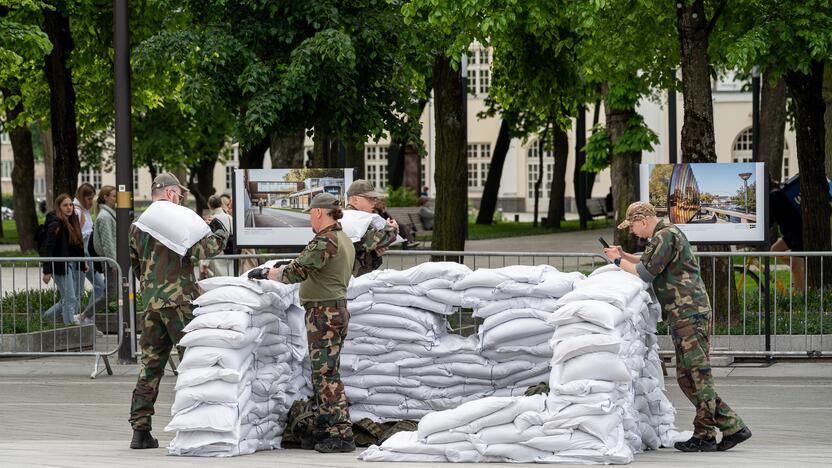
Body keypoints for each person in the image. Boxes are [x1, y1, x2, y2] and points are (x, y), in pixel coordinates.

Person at [603, 201, 752, 452]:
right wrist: (623, 254)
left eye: (633, 227)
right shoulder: (662, 236)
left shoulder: (665, 236)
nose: (632, 232)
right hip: (682, 314)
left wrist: (618, 261)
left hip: (689, 313)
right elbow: (644, 263)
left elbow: (644, 273)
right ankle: (733, 426)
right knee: (686, 378)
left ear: (644, 221)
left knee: (697, 375)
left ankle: (704, 434)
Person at [248, 192, 356, 453]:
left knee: (326, 375)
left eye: (311, 214)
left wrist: (267, 273)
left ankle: (341, 434)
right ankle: (324, 427)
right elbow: (309, 266)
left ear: (319, 212)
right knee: (324, 373)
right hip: (333, 311)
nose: (310, 218)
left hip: (324, 314)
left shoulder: (326, 240)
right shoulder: (343, 238)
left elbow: (296, 272)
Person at [128, 173, 228, 449]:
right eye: (180, 194)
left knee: (150, 366)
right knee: (192, 363)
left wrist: (152, 288)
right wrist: (221, 229)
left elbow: (135, 264)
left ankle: (140, 430)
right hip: (180, 301)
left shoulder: (138, 224)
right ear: (170, 193)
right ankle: (195, 426)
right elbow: (204, 251)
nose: (181, 198)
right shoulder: (178, 220)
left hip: (151, 304)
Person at [41, 194, 87, 324]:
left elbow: (77, 245)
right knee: (70, 298)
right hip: (60, 266)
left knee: (69, 298)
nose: (69, 208)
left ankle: (43, 320)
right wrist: (47, 271)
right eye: (65, 205)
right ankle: (70, 326)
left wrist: (83, 263)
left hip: (71, 264)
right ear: (59, 207)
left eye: (70, 204)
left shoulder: (72, 220)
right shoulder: (55, 224)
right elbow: (48, 247)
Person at [76, 186, 118, 324]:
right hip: (111, 262)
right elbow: (108, 243)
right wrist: (113, 263)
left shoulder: (108, 214)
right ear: (105, 197)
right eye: (113, 195)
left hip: (112, 261)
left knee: (112, 292)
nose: (116, 198)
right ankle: (84, 315)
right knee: (110, 294)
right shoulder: (105, 217)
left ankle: (85, 315)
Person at [346, 179, 398, 276]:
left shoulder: (361, 218)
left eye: (374, 198)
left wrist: (375, 255)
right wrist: (391, 229)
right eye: (369, 198)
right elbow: (369, 243)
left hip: (357, 280)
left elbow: (361, 253)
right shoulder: (350, 218)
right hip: (348, 283)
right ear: (355, 199)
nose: (374, 202)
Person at [74, 183, 106, 312]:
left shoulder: (84, 211)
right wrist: (84, 259)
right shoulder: (77, 211)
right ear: (82, 197)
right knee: (75, 295)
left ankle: (85, 317)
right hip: (81, 256)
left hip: (86, 256)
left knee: (99, 287)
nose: (91, 202)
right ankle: (78, 321)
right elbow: (77, 239)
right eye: (88, 199)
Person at [769, 186, 805, 291]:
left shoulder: (773, 197)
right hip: (791, 233)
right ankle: (802, 269)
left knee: (795, 268)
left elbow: (768, 223)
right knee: (774, 250)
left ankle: (801, 299)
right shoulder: (777, 193)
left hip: (798, 233)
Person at [200, 195, 234, 277]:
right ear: (221, 204)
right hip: (229, 253)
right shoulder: (230, 218)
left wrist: (205, 263)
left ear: (209, 205)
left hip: (215, 254)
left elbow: (208, 240)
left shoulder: (211, 219)